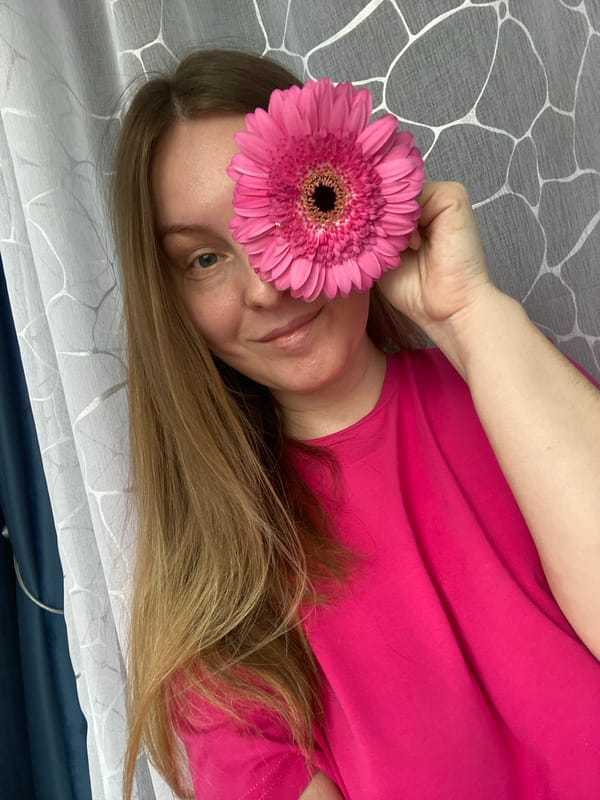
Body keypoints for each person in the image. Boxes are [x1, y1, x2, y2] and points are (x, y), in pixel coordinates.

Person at [113, 49, 600, 800]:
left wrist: (468, 311)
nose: (267, 287)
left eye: (285, 215)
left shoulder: (512, 385)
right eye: (205, 259)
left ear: (348, 187)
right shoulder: (220, 595)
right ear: (170, 304)